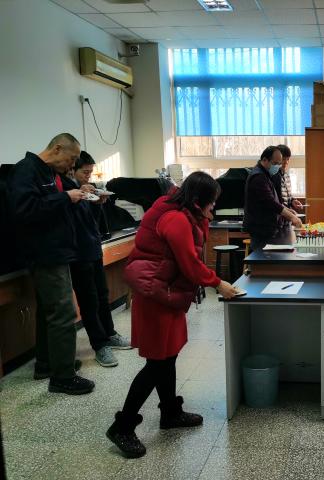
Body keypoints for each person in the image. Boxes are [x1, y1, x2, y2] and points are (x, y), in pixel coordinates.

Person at [107, 172, 238, 458]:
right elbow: (190, 264)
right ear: (197, 201)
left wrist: (204, 217)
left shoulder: (184, 212)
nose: (214, 207)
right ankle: (122, 427)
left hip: (165, 293)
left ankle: (170, 413)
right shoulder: (176, 220)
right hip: (155, 296)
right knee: (156, 363)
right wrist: (219, 283)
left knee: (168, 356)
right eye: (212, 202)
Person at [9, 133, 94, 394]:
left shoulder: (48, 172)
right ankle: (63, 377)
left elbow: (51, 207)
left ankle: (47, 364)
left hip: (57, 250)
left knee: (50, 312)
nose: (72, 165)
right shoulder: (26, 171)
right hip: (45, 254)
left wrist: (77, 196)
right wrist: (65, 197)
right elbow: (24, 210)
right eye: (71, 158)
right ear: (57, 149)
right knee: (63, 313)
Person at [66, 151, 131, 368]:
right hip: (78, 254)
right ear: (73, 170)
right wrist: (79, 196)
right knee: (89, 300)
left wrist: (98, 204)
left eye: (90, 172)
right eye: (85, 172)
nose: (88, 176)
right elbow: (70, 222)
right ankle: (99, 345)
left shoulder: (88, 190)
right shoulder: (68, 191)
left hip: (93, 249)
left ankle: (109, 334)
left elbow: (92, 223)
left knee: (102, 295)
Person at [243, 146, 302, 250]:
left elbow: (274, 199)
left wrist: (287, 209)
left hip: (267, 227)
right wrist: (292, 217)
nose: (278, 166)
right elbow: (270, 202)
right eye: (275, 163)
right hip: (260, 228)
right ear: (264, 160)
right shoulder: (258, 177)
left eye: (279, 164)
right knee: (261, 257)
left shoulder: (265, 174)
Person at [273, 144, 304, 213]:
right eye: (283, 159)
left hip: (287, 214)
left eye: (288, 159)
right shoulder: (274, 176)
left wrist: (293, 201)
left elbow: (287, 196)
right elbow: (275, 201)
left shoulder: (286, 175)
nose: (286, 162)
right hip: (279, 214)